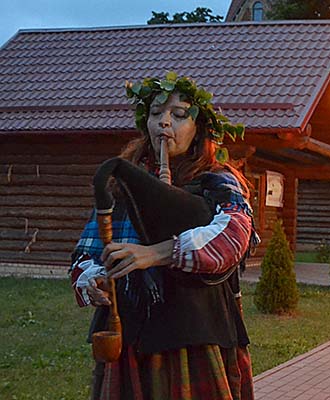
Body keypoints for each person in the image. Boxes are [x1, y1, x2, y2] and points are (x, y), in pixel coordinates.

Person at [69, 73, 259, 400]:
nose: (165, 122)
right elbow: (85, 253)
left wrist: (157, 253)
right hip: (130, 334)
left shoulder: (218, 180)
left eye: (179, 114)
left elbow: (233, 237)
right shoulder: (124, 182)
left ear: (199, 129)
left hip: (193, 335)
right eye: (156, 113)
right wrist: (96, 279)